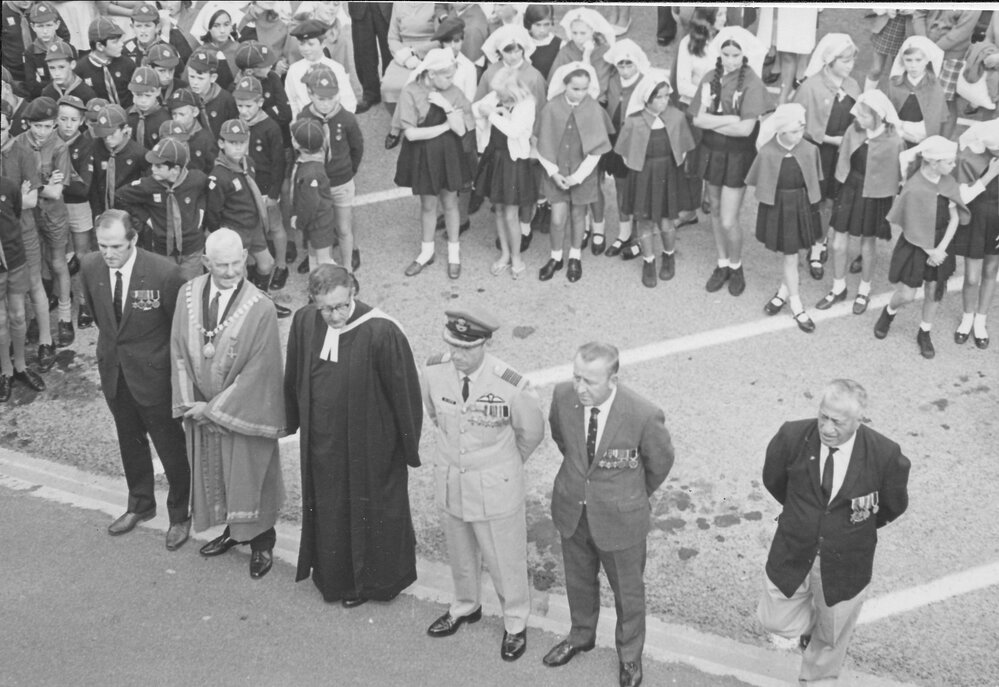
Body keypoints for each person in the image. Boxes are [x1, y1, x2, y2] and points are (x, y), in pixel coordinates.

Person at [284, 264, 423, 607]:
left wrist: (407, 447)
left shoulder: (381, 331)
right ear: (312, 301)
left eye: (341, 306)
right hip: (323, 443)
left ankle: (374, 584)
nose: (334, 316)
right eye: (325, 309)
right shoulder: (305, 321)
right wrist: (291, 421)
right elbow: (295, 375)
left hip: (370, 445)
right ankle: (335, 578)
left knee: (371, 512)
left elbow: (405, 393)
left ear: (353, 292)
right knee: (331, 510)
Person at [758, 379, 911, 686]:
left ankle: (816, 679)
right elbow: (774, 480)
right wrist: (803, 517)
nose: (827, 428)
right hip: (793, 549)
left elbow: (892, 505)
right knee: (774, 620)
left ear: (859, 419)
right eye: (823, 417)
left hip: (846, 562)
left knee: (832, 637)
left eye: (837, 422)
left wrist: (848, 530)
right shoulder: (792, 436)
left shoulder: (884, 454)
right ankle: (815, 629)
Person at [543, 342, 675, 687]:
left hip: (621, 519)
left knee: (628, 593)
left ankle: (629, 656)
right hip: (573, 509)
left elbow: (660, 462)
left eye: (589, 381)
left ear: (613, 380)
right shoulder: (562, 396)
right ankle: (581, 635)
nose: (580, 387)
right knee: (578, 581)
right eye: (576, 377)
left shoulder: (643, 413)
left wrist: (629, 496)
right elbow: (563, 440)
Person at [421, 307, 544, 662]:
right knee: (459, 551)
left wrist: (502, 465)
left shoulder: (511, 385)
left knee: (504, 558)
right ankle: (465, 606)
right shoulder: (432, 371)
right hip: (451, 479)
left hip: (495, 485)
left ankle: (515, 622)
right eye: (453, 345)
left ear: (485, 343)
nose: (457, 354)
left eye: (467, 348)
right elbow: (436, 416)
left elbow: (531, 434)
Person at [171, 227, 286, 580]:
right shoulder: (187, 295)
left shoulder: (262, 307)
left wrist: (213, 410)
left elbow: (261, 370)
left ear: (245, 257)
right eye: (222, 265)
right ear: (206, 262)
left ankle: (262, 542)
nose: (232, 271)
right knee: (219, 475)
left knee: (251, 476)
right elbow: (178, 350)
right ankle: (233, 533)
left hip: (241, 410)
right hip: (200, 408)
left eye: (237, 263)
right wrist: (189, 403)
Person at [79, 208, 191, 549]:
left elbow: (180, 329)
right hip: (115, 373)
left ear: (134, 239)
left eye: (116, 246)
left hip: (155, 378)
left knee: (171, 449)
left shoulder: (164, 273)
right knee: (130, 443)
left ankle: (180, 514)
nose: (108, 253)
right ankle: (140, 504)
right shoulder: (90, 266)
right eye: (103, 245)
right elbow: (102, 320)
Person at [874, 136, 970, 359]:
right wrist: (931, 251)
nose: (954, 166)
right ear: (934, 163)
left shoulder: (948, 182)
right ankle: (889, 312)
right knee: (907, 294)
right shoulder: (914, 186)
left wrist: (941, 248)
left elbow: (955, 218)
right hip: (916, 245)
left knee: (934, 290)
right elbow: (911, 225)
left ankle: (924, 331)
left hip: (941, 245)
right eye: (949, 162)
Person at [691, 26, 767, 297]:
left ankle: (736, 266)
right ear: (719, 53)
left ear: (744, 55)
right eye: (726, 54)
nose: (731, 60)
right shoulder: (710, 77)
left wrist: (713, 122)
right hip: (712, 152)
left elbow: (745, 130)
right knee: (714, 209)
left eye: (736, 55)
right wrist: (729, 119)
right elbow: (697, 119)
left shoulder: (753, 83)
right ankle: (722, 263)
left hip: (737, 156)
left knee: (727, 219)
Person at [820, 91, 905, 316]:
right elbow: (843, 158)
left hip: (875, 195)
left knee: (868, 244)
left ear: (878, 116)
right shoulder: (853, 130)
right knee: (838, 243)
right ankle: (838, 287)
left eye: (863, 116)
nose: (858, 119)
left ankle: (864, 290)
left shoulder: (894, 140)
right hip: (850, 188)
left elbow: (897, 175)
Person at [394, 49, 474, 280]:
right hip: (424, 154)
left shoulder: (453, 92)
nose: (451, 80)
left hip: (449, 154)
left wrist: (446, 106)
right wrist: (445, 126)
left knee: (450, 203)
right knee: (428, 205)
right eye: (447, 76)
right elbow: (411, 134)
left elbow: (462, 129)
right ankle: (426, 252)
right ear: (431, 74)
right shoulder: (410, 91)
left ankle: (454, 254)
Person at [613, 70, 696, 289]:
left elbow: (683, 148)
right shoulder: (634, 121)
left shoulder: (676, 117)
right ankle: (648, 260)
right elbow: (625, 153)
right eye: (658, 97)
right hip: (643, 174)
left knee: (667, 220)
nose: (664, 101)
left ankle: (668, 255)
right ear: (646, 98)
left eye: (667, 96)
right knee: (644, 220)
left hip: (668, 173)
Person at [535, 62, 613, 284]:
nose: (580, 94)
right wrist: (553, 173)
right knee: (557, 219)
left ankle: (575, 257)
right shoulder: (551, 108)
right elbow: (541, 145)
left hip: (582, 174)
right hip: (557, 173)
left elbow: (597, 150)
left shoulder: (594, 109)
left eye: (584, 89)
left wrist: (577, 177)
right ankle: (556, 257)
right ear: (565, 85)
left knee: (579, 216)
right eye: (575, 88)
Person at [749, 104, 824, 334]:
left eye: (801, 129)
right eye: (793, 131)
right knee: (791, 255)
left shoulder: (810, 150)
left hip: (801, 204)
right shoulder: (767, 152)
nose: (799, 135)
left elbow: (814, 180)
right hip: (779, 206)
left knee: (792, 255)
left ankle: (790, 299)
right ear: (780, 131)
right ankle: (792, 300)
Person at [793, 34, 860, 282]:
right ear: (830, 61)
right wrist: (830, 139)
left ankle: (818, 245)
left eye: (852, 60)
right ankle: (806, 242)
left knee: (830, 201)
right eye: (845, 61)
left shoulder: (853, 85)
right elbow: (797, 123)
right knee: (813, 200)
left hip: (842, 154)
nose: (850, 66)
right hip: (817, 153)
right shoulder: (810, 86)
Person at [472, 66, 536, 279]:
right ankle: (505, 254)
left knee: (511, 214)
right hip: (494, 156)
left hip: (512, 161)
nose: (498, 96)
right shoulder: (496, 96)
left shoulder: (527, 104)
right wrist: (492, 110)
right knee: (498, 210)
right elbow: (475, 109)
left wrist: (492, 114)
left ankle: (516, 257)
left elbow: (514, 131)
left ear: (513, 90)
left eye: (502, 93)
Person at [115, 136, 208, 281]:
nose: (152, 169)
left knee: (191, 286)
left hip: (192, 250)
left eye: (158, 166)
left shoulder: (196, 179)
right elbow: (120, 196)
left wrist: (200, 211)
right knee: (166, 285)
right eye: (152, 164)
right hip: (163, 249)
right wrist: (146, 218)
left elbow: (206, 191)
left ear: (175, 169)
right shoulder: (148, 185)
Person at [950, 121, 999, 350]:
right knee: (971, 277)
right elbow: (962, 196)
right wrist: (990, 175)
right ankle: (967, 317)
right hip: (976, 220)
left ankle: (981, 321)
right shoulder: (971, 158)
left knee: (990, 271)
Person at [1, 172, 44, 400]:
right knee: (0, 320)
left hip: (15, 260)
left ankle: (20, 365)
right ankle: (5, 370)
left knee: (18, 316)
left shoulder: (8, 187)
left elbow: (16, 214)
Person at [884, 36, 948, 146]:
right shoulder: (895, 84)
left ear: (927, 61)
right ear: (902, 61)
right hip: (894, 141)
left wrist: (901, 127)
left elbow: (930, 127)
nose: (913, 66)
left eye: (918, 60)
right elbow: (887, 117)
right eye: (908, 60)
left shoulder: (933, 89)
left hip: (919, 142)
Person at [348, 2, 392, 113]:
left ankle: (390, 89)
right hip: (360, 6)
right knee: (363, 51)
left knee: (390, 49)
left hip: (385, 6)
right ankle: (370, 94)